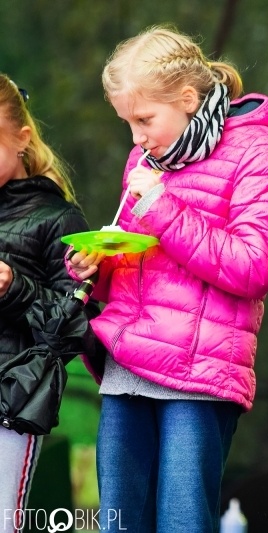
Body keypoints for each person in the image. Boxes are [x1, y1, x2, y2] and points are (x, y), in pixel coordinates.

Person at [65, 25, 268, 533]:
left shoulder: (258, 151)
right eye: (128, 123)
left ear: (188, 99)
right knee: (120, 523)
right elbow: (138, 254)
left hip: (200, 377)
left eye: (144, 120)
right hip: (127, 364)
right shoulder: (145, 159)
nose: (136, 137)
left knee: (183, 523)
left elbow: (255, 266)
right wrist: (96, 267)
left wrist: (161, 207)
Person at [0, 74, 92, 532]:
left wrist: (14, 287)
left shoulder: (58, 219)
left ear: (22, 139)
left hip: (12, 402)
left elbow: (74, 330)